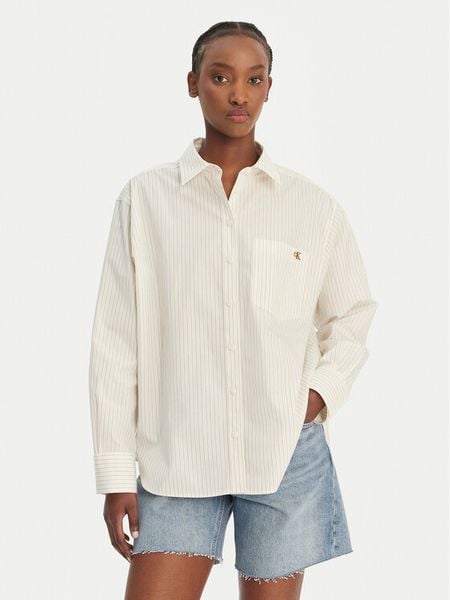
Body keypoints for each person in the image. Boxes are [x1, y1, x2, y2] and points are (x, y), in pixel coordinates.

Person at [88, 20, 378, 600]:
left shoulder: (311, 207)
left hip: (282, 453)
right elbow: (116, 343)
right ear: (192, 84)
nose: (238, 94)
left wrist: (316, 395)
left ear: (270, 87)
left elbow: (352, 313)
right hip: (177, 455)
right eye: (221, 78)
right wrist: (116, 475)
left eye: (254, 79)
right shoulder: (145, 200)